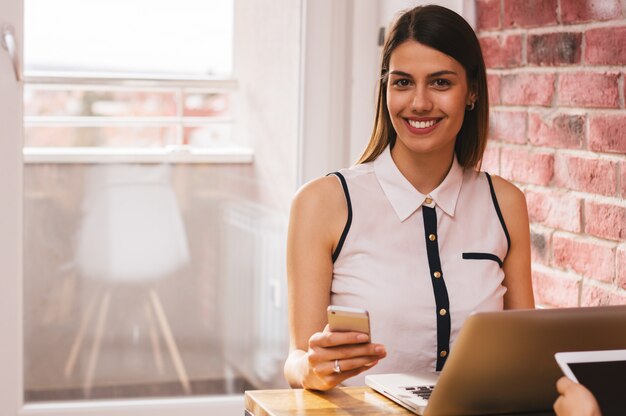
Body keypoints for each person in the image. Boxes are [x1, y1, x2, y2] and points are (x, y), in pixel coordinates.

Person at [283, 5, 535, 391]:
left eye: (440, 83)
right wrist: (312, 368)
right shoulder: (323, 203)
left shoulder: (505, 203)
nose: (418, 103)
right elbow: (297, 359)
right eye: (402, 83)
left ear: (472, 92)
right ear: (385, 87)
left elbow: (526, 350)